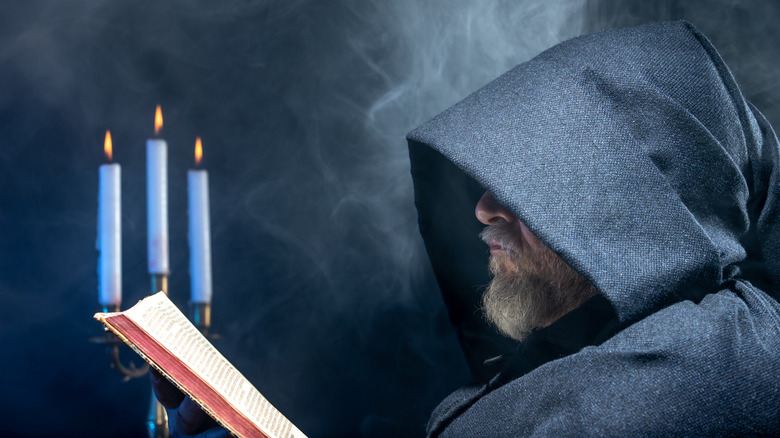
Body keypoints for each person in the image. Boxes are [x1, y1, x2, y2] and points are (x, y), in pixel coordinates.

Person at [152, 20, 780, 436]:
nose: (482, 209)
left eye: (528, 181)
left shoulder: (712, 371)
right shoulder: (591, 357)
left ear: (626, 198)